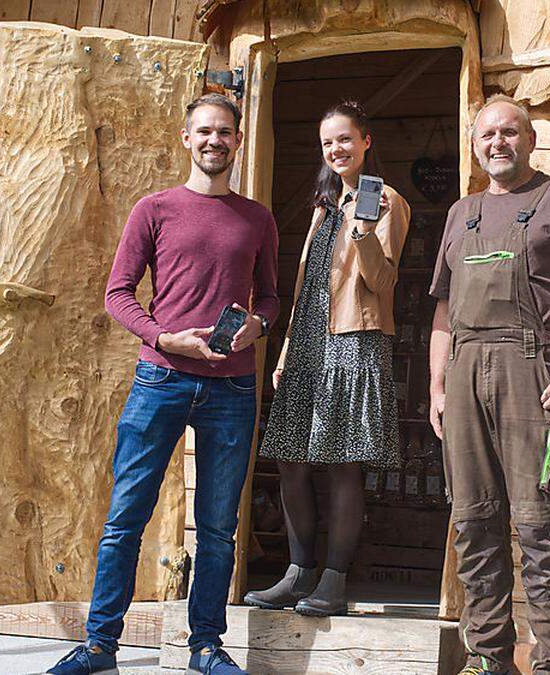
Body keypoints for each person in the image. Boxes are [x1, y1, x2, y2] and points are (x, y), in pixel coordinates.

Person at [48, 94, 279, 675]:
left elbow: (273, 295)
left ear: (238, 141)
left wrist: (260, 325)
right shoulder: (153, 209)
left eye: (225, 132)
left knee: (220, 527)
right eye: (204, 131)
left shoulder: (258, 218)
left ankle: (205, 645)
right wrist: (163, 338)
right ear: (185, 137)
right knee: (127, 516)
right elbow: (118, 293)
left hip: (232, 387)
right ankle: (100, 644)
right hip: (162, 379)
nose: (214, 141)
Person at [428, 95, 550, 675]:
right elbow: (441, 310)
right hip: (463, 377)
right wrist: (437, 388)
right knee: (473, 524)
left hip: (535, 377)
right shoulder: (461, 213)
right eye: (487, 134)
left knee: (540, 527)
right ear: (475, 145)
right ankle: (487, 658)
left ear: (530, 140)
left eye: (510, 132)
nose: (498, 143)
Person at [245, 101, 410, 616]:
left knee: (341, 466)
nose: (336, 149)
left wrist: (362, 237)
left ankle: (334, 581)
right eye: (328, 143)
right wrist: (288, 348)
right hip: (309, 345)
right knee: (290, 459)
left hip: (353, 343)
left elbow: (384, 284)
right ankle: (298, 573)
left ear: (366, 141)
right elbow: (309, 287)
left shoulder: (386, 202)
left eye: (345, 139)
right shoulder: (322, 206)